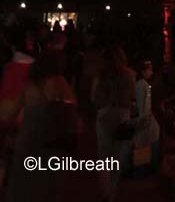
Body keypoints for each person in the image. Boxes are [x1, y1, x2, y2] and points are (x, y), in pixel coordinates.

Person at [5, 51, 77, 202]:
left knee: (24, 186)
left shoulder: (28, 85)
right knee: (48, 186)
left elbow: (13, 114)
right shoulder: (60, 83)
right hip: (51, 141)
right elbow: (71, 108)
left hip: (27, 140)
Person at [94, 44, 135, 202]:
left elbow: (95, 96)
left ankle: (105, 190)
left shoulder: (102, 74)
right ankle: (112, 190)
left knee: (103, 153)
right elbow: (132, 97)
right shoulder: (130, 74)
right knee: (118, 154)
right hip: (123, 113)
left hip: (105, 112)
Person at [132, 60, 160, 174]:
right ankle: (142, 169)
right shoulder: (141, 85)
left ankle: (143, 168)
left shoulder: (143, 84)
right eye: (149, 70)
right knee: (144, 144)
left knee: (146, 143)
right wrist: (144, 118)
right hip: (145, 119)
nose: (151, 72)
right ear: (143, 71)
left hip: (146, 118)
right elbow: (142, 104)